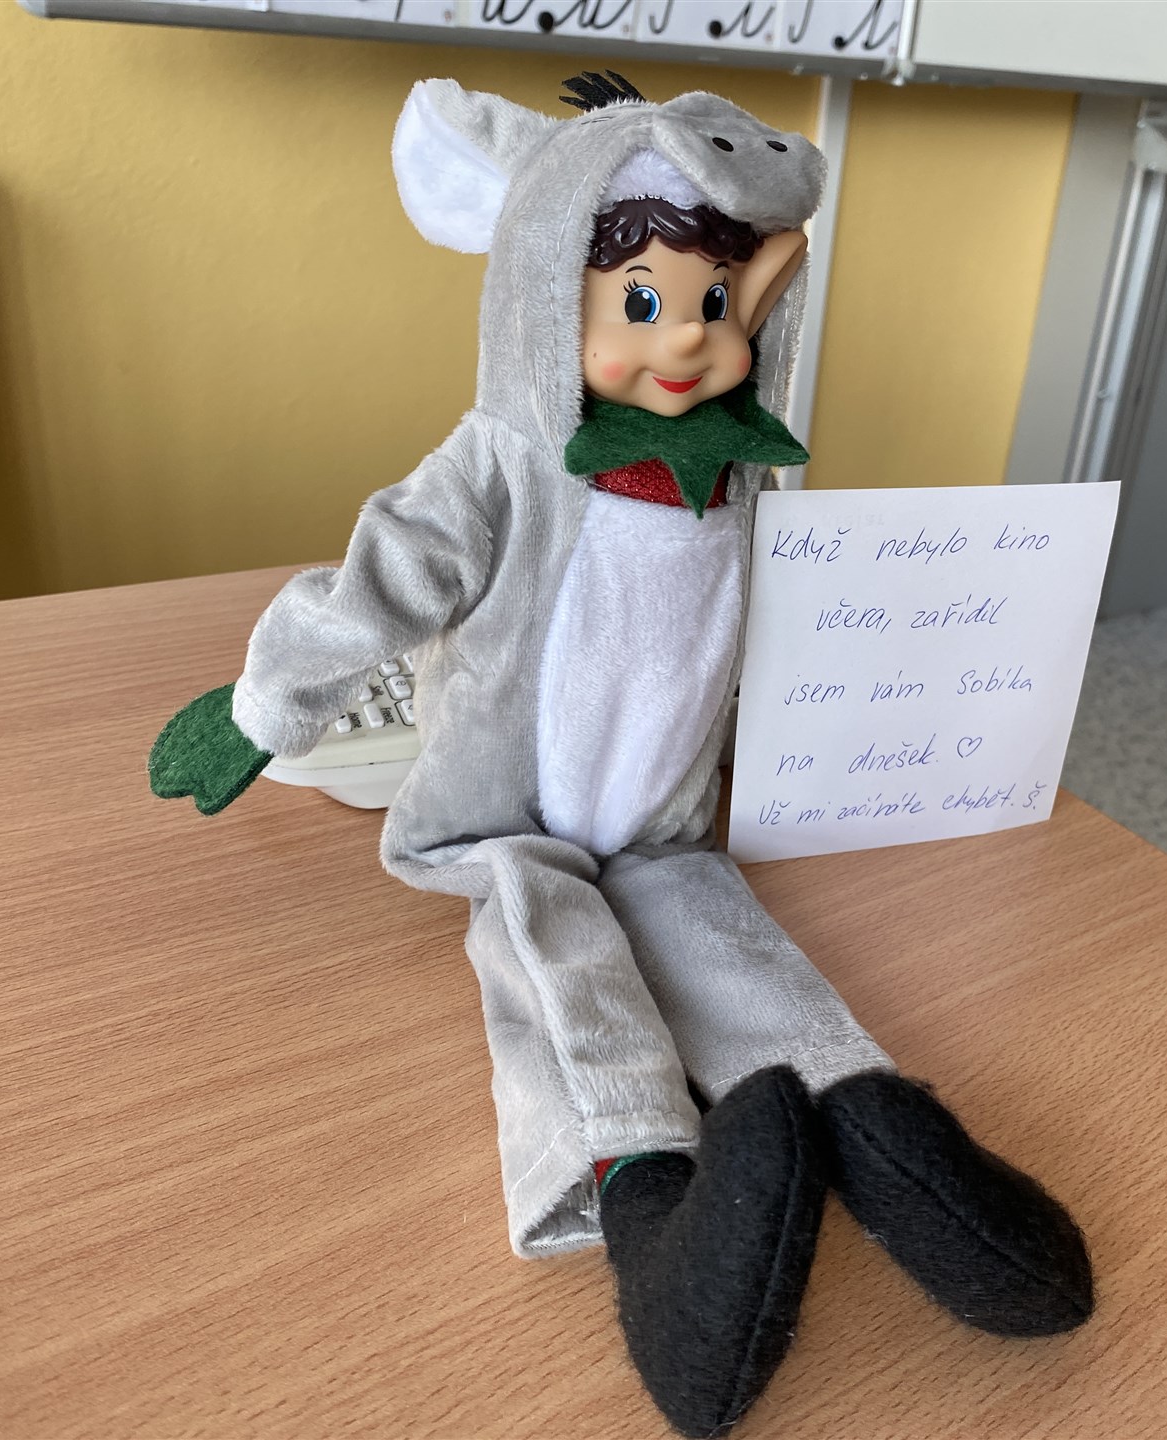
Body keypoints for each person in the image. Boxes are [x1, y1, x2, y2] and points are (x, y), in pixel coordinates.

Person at [150, 71, 1091, 1437]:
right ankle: (650, 1212)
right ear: (549, 295)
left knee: (731, 944)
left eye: (714, 305)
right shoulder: (503, 461)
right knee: (565, 967)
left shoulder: (738, 463)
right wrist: (261, 708)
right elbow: (381, 579)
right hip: (506, 821)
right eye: (641, 302)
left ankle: (889, 1136)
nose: (689, 340)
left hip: (664, 824)